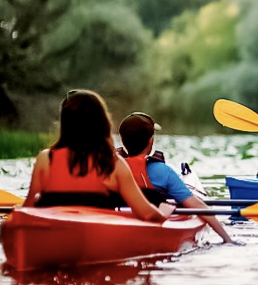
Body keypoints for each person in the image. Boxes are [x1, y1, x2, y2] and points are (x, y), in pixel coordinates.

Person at [24, 90, 165, 222]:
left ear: (65, 124)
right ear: (102, 123)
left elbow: (27, 209)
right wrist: (165, 214)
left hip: (54, 234)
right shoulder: (114, 164)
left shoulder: (45, 159)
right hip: (98, 239)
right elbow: (148, 213)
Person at [118, 111, 236, 244]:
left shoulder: (111, 170)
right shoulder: (163, 172)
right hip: (156, 224)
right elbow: (197, 205)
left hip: (117, 225)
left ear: (122, 141)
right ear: (151, 140)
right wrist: (227, 239)